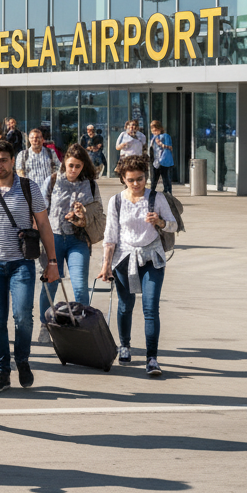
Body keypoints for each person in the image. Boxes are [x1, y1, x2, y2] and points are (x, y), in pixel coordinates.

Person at [0, 140, 60, 393]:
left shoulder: (29, 188)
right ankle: (2, 372)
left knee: (23, 318)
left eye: (3, 160)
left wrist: (52, 262)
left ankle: (22, 361)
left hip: (21, 263)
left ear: (13, 161)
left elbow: (43, 225)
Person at [99, 155, 176, 376]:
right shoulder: (116, 201)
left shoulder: (157, 198)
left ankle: (152, 358)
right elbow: (110, 235)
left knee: (150, 308)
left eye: (140, 179)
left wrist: (160, 221)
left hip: (152, 258)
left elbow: (173, 226)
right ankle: (125, 345)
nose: (136, 184)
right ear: (123, 178)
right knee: (125, 305)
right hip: (124, 259)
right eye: (131, 180)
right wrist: (106, 265)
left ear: (146, 177)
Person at [39, 144, 102, 342]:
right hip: (54, 237)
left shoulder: (90, 184)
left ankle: (82, 329)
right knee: (50, 284)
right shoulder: (53, 181)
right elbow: (39, 209)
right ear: (64, 163)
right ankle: (45, 325)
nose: (73, 170)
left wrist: (81, 213)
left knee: (80, 287)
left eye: (78, 166)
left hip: (78, 239)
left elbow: (98, 209)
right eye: (70, 165)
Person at [15, 128, 60, 195]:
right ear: (29, 140)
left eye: (38, 137)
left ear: (42, 139)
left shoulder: (51, 152)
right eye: (32, 138)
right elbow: (19, 172)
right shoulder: (22, 155)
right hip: (31, 192)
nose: (35, 140)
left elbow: (59, 168)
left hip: (49, 192)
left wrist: (52, 181)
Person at [149, 121, 174, 194]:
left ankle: (168, 192)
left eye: (156, 130)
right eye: (153, 130)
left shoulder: (165, 136)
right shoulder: (153, 138)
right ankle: (152, 191)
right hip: (155, 160)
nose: (155, 132)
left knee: (165, 177)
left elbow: (170, 147)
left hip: (163, 160)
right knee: (154, 178)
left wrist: (161, 144)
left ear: (160, 129)